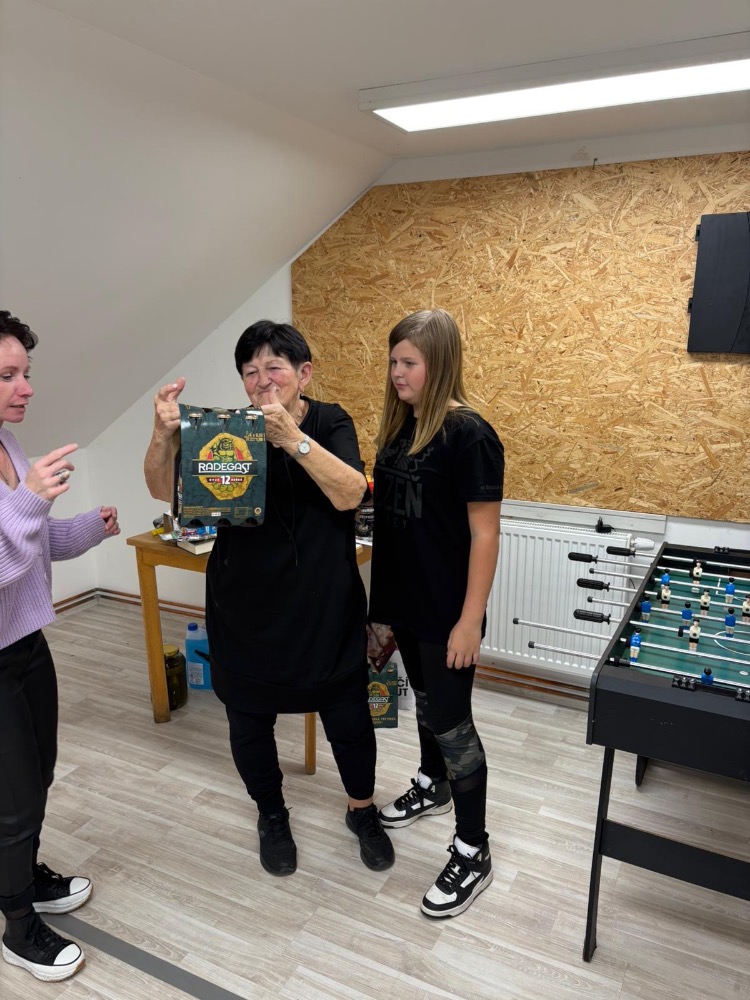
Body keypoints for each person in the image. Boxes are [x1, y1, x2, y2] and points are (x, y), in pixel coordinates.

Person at [144, 320, 393, 877]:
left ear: (303, 374)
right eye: (250, 371)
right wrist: (163, 435)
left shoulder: (330, 421)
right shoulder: (225, 431)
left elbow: (352, 492)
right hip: (244, 607)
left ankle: (361, 810)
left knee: (349, 718)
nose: (262, 380)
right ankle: (272, 814)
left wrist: (290, 438)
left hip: (324, 608)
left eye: (274, 368)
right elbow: (164, 491)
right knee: (249, 721)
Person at [369, 308, 504, 919]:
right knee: (424, 704)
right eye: (393, 361)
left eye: (410, 363)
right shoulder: (402, 427)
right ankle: (433, 783)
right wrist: (381, 610)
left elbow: (485, 534)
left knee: (452, 723)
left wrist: (470, 620)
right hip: (406, 602)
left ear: (440, 363)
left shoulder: (469, 434)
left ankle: (473, 849)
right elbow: (398, 521)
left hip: (449, 613)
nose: (397, 373)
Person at [0, 310, 120, 982]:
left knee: (38, 773)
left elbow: (31, 542)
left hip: (25, 642)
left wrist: (86, 529)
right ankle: (18, 926)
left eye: (25, 373)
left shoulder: (9, 444)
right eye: (7, 375)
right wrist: (27, 502)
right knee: (13, 799)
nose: (26, 388)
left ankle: (23, 876)